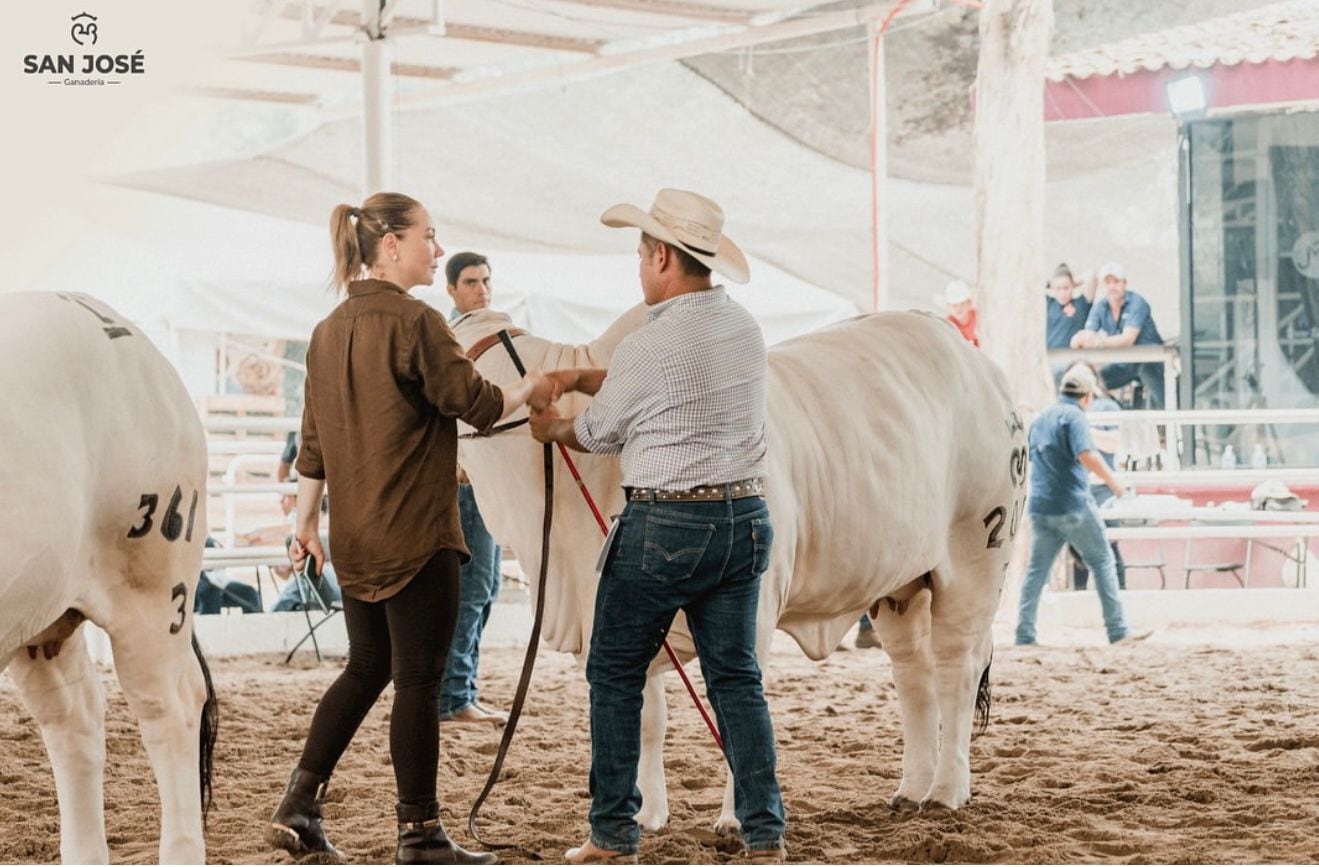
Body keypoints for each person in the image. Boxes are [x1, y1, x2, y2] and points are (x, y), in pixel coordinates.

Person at [266, 192, 559, 866]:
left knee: (366, 667)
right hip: (416, 534)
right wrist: (531, 388)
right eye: (428, 236)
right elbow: (477, 403)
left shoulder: (326, 330)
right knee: (420, 682)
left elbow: (312, 445)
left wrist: (306, 524)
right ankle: (420, 832)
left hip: (355, 538)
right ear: (391, 244)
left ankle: (298, 804)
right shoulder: (419, 321)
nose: (437, 248)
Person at [528, 189, 787, 864]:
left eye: (642, 255)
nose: (640, 268)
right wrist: (584, 375)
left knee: (614, 672)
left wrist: (550, 425)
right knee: (737, 679)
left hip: (666, 523)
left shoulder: (648, 344)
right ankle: (764, 831)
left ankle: (612, 832)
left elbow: (597, 431)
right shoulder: (744, 329)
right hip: (743, 516)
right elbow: (668, 381)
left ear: (663, 258)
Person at [1015, 364, 1151, 647]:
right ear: (1087, 397)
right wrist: (1114, 483)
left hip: (1041, 505)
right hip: (1072, 503)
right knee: (1102, 560)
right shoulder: (1075, 417)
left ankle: (1024, 633)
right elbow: (1087, 454)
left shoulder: (1042, 419)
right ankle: (1117, 630)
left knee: (1037, 571)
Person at [440, 251, 507, 725]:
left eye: (485, 281)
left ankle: (461, 690)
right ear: (452, 289)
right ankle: (454, 695)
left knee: (487, 586)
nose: (481, 290)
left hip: (485, 479)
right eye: (470, 282)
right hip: (466, 480)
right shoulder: (453, 340)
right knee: (474, 587)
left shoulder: (488, 336)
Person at [1070, 262, 1166, 408]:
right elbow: (1087, 336)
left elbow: (1128, 339)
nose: (1112, 286)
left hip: (1151, 362)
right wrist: (1077, 340)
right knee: (1092, 381)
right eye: (1108, 283)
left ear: (1124, 283)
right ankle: (1119, 411)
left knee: (1164, 402)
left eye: (1116, 282)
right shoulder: (1100, 306)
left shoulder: (1137, 303)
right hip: (1125, 363)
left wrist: (1098, 342)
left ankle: (1173, 421)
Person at [1068, 367, 1126, 592]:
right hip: (1075, 486)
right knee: (1077, 547)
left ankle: (1120, 593)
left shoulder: (1107, 406)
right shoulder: (1065, 409)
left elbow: (1113, 443)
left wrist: (1082, 431)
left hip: (1102, 488)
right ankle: (1078, 595)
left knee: (1109, 543)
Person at [1046, 264, 1096, 383]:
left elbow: (1091, 277)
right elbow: (1032, 287)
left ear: (1072, 287)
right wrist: (1050, 284)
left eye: (1066, 288)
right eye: (1058, 289)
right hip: (1050, 360)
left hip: (1072, 362)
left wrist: (1074, 282)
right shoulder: (1048, 304)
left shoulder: (1081, 305)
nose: (1062, 293)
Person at [940, 279, 979, 347]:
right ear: (948, 307)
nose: (959, 308)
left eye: (962, 304)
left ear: (969, 303)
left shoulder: (977, 317)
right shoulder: (948, 325)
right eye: (955, 305)